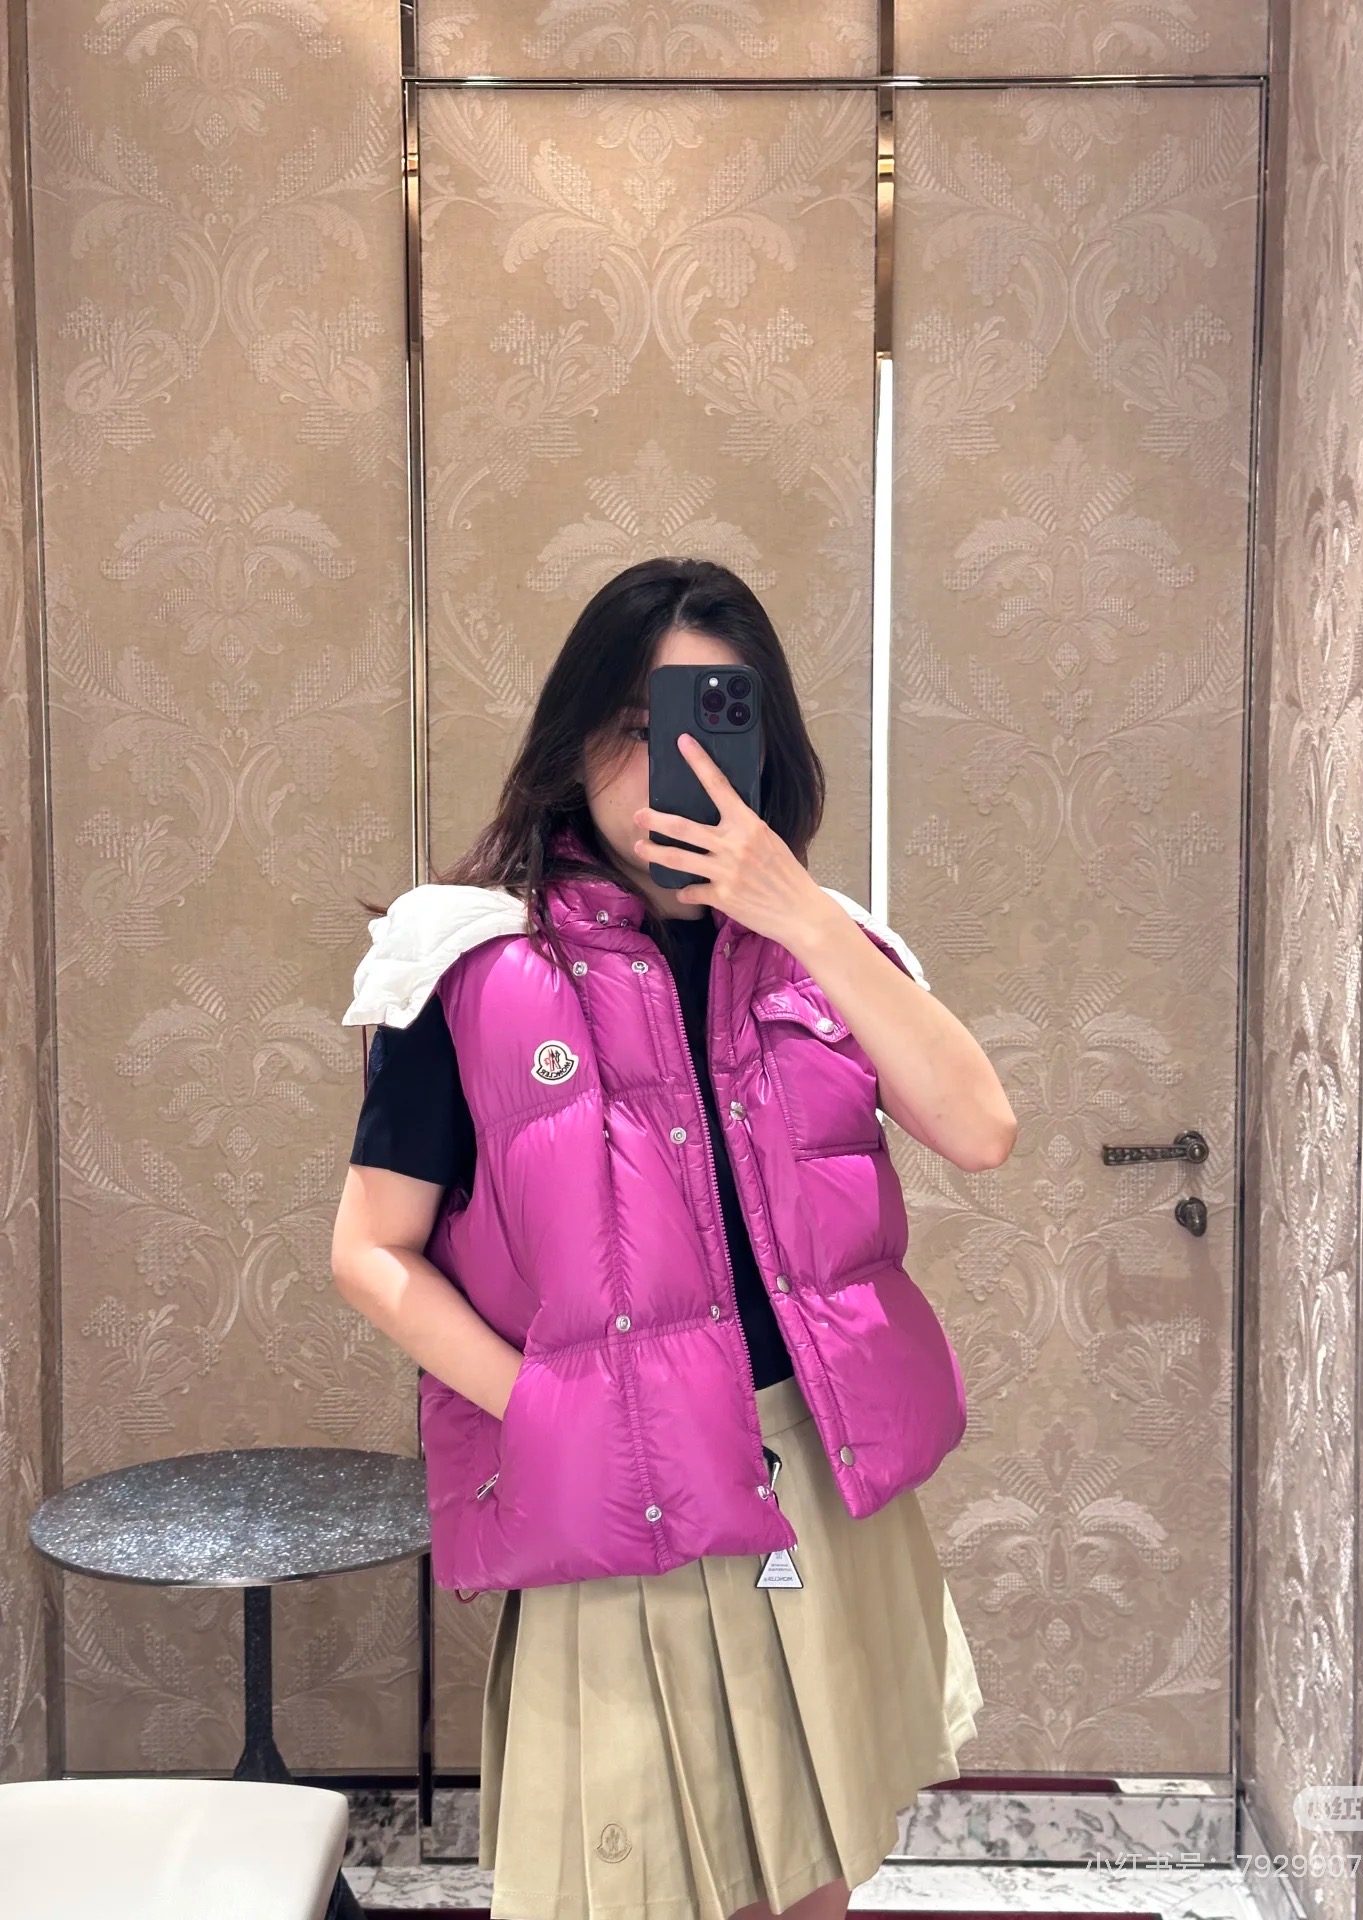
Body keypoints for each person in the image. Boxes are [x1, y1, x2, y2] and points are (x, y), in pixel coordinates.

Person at [329, 556, 1016, 1920]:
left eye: (707, 726)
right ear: (573, 742)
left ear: (763, 746)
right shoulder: (470, 966)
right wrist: (545, 1406)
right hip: (624, 1492)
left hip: (816, 1477)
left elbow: (980, 1126)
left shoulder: (825, 952)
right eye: (635, 730)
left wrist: (799, 911)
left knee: (814, 1877)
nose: (668, 769)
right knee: (645, 1885)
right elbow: (370, 1249)